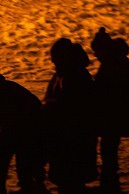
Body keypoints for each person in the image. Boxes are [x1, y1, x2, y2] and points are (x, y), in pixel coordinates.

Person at [43, 38, 97, 192]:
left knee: (71, 174)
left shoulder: (74, 75)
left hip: (73, 132)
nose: (53, 61)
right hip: (65, 130)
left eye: (55, 57)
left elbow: (72, 104)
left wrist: (52, 107)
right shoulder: (64, 73)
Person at [0, 74, 45, 194]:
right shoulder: (9, 87)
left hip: (24, 124)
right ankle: (30, 185)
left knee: (4, 156)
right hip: (30, 123)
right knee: (24, 157)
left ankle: (1, 188)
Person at [90, 28, 129, 190]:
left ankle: (109, 182)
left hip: (112, 115)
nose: (95, 55)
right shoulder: (117, 61)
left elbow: (107, 91)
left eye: (97, 51)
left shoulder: (112, 65)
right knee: (109, 149)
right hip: (115, 114)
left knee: (108, 149)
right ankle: (109, 180)